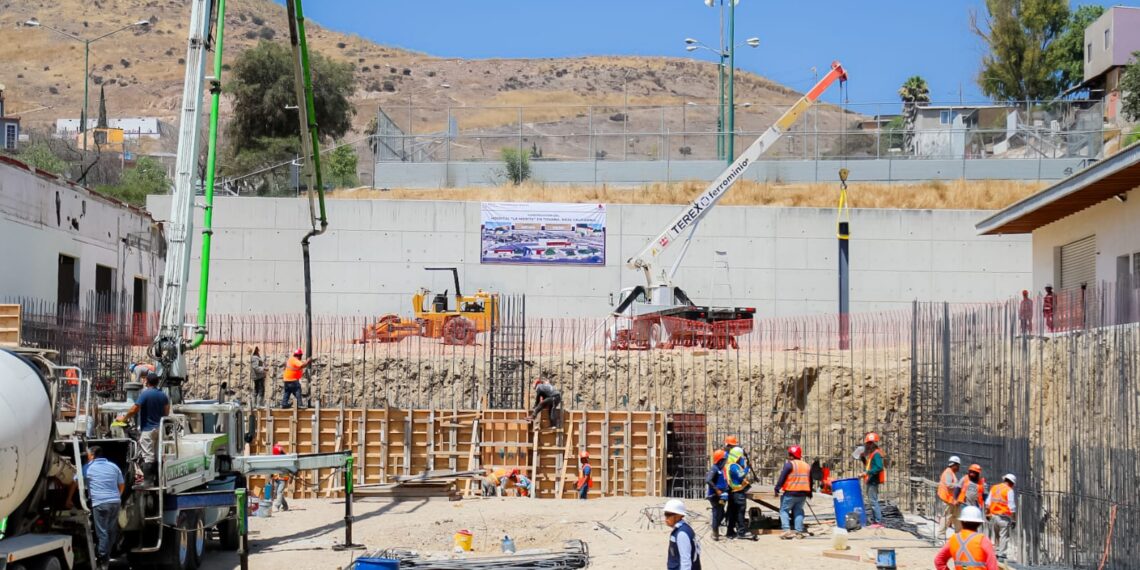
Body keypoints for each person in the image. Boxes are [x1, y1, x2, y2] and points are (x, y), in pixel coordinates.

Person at [115, 371, 170, 486]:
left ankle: (148, 481)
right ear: (157, 382)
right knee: (158, 454)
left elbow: (134, 409)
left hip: (148, 429)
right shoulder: (163, 395)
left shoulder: (145, 394)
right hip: (160, 429)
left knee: (148, 455)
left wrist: (124, 419)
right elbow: (166, 412)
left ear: (147, 382)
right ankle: (158, 480)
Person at [80, 446, 125, 570]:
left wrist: (68, 499)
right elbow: (121, 484)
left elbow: (75, 481)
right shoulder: (114, 466)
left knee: (102, 532)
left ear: (92, 456)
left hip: (100, 503)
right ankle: (106, 555)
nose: (87, 457)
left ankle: (103, 559)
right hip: (115, 502)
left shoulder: (88, 467)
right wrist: (117, 496)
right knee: (111, 531)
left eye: (88, 455)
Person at [934, 506, 999, 570]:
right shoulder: (983, 540)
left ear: (961, 521)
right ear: (979, 523)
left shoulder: (954, 539)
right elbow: (993, 566)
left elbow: (938, 561)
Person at [775, 445, 811, 539]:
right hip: (803, 493)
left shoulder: (789, 464)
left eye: (789, 454)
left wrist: (777, 488)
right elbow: (810, 480)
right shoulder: (806, 465)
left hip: (790, 492)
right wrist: (809, 493)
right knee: (798, 511)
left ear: (791, 455)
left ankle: (787, 530)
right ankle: (799, 531)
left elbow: (782, 477)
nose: (789, 456)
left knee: (784, 510)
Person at [663, 499, 701, 570]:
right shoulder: (681, 529)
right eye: (665, 514)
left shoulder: (682, 533)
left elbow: (686, 561)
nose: (666, 518)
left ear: (679, 516)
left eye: (668, 515)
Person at [722, 446, 751, 540]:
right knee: (740, 513)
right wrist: (747, 469)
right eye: (741, 457)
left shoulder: (730, 465)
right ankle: (741, 532)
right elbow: (740, 476)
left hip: (733, 493)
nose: (742, 459)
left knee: (732, 513)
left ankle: (730, 532)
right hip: (738, 493)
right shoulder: (734, 466)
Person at [986, 473, 1016, 561]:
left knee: (997, 535)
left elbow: (987, 503)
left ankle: (997, 551)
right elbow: (1012, 506)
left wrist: (987, 514)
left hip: (993, 516)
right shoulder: (1009, 490)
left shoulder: (994, 487)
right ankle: (1001, 554)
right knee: (1004, 536)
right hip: (1004, 518)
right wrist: (1014, 520)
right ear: (1011, 483)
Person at [863, 432, 885, 527]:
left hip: (873, 481)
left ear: (872, 443)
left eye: (868, 443)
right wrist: (863, 459)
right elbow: (869, 466)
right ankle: (876, 521)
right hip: (871, 480)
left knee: (873, 501)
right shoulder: (873, 454)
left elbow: (879, 467)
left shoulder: (876, 454)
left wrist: (866, 473)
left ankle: (878, 521)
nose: (866, 445)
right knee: (872, 501)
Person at [937, 456, 963, 538]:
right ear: (954, 465)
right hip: (947, 500)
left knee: (957, 518)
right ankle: (941, 535)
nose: (959, 467)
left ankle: (959, 535)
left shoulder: (951, 473)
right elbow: (949, 485)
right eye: (958, 465)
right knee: (946, 518)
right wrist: (959, 485)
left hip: (953, 501)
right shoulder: (948, 472)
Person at [705, 449, 728, 541]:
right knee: (717, 512)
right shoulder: (714, 468)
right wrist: (717, 489)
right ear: (720, 460)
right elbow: (708, 480)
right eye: (724, 460)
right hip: (714, 496)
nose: (725, 461)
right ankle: (715, 533)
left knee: (721, 512)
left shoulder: (721, 469)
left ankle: (716, 530)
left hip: (722, 496)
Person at [271, 442, 290, 511]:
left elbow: (290, 468)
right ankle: (285, 506)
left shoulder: (286, 458)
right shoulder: (275, 457)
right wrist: (272, 475)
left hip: (283, 478)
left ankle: (276, 506)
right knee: (278, 493)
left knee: (279, 492)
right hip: (276, 478)